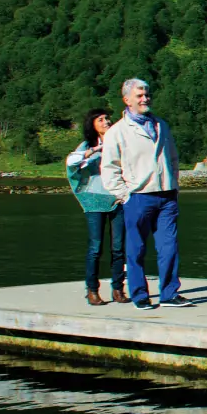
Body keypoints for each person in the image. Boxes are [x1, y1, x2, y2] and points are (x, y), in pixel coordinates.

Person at [101, 77, 189, 310]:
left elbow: (172, 158)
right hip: (138, 196)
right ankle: (140, 295)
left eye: (147, 94)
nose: (145, 99)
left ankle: (169, 293)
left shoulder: (161, 125)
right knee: (136, 249)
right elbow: (109, 168)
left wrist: (174, 185)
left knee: (169, 246)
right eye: (139, 95)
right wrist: (125, 194)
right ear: (127, 99)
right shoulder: (117, 132)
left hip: (167, 195)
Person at [66, 108, 126, 306]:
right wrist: (94, 151)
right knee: (95, 247)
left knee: (118, 247)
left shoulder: (119, 143)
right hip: (94, 201)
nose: (106, 122)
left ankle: (118, 289)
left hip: (117, 200)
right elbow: (71, 162)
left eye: (107, 119)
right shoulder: (87, 146)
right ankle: (92, 290)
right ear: (92, 124)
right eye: (100, 120)